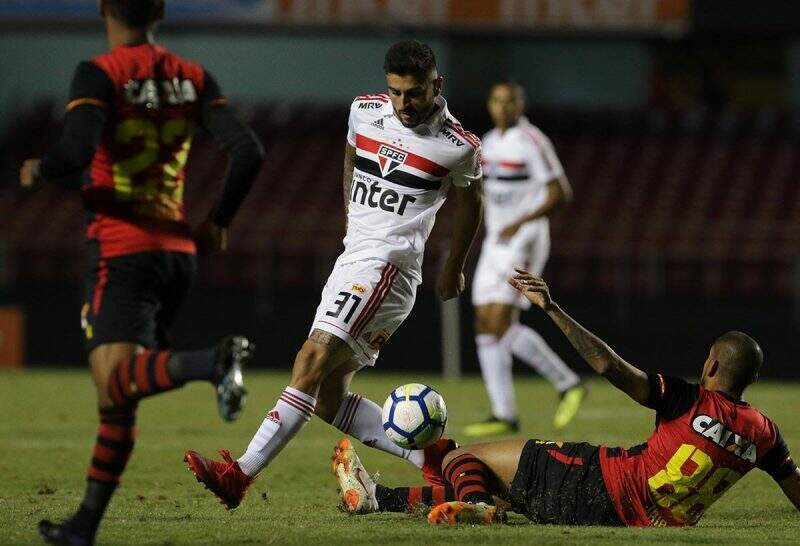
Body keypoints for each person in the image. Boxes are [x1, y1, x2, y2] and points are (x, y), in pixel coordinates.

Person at [184, 40, 483, 510]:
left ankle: (238, 475)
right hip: (354, 259)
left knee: (310, 359)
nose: (404, 104)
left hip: (388, 268)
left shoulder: (457, 146)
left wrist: (454, 267)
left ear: (436, 85)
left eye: (416, 93)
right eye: (397, 92)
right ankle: (433, 459)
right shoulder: (364, 111)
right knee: (326, 400)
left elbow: (471, 206)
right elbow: (350, 154)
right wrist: (351, 218)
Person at [20, 2, 264, 544]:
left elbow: (77, 148)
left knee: (113, 384)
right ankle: (84, 526)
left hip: (121, 245)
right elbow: (247, 150)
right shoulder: (193, 76)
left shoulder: (99, 73)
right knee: (120, 395)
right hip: (177, 252)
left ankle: (212, 361)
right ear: (158, 10)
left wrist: (40, 168)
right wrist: (219, 220)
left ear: (104, 8)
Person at [333, 268, 800, 527]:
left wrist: (553, 309)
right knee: (483, 476)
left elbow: (608, 366)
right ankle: (377, 496)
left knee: (465, 458)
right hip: (625, 518)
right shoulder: (765, 434)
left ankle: (474, 506)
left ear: (712, 366)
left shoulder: (688, 399)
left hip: (599, 483)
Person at [465, 81, 585, 438]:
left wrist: (519, 220)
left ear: (521, 104)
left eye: (510, 100)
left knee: (500, 319)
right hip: (496, 239)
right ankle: (504, 412)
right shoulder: (486, 142)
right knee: (485, 323)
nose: (504, 106)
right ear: (490, 105)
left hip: (525, 238)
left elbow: (560, 193)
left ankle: (567, 383)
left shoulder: (532, 140)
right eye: (497, 100)